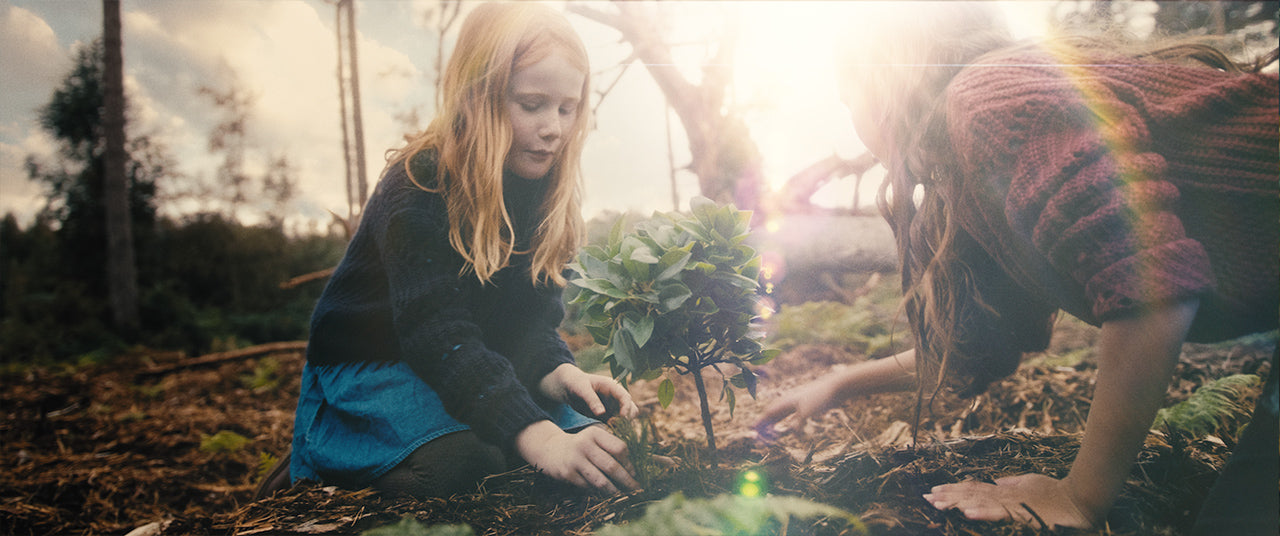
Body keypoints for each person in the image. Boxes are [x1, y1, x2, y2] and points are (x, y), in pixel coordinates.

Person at [756, 4, 1277, 533]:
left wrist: (1079, 495)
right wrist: (843, 383)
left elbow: (1151, 287)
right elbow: (975, 344)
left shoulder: (990, 103)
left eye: (849, 100)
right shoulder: (972, 172)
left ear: (885, 77)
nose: (853, 123)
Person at [258, 2, 641, 500]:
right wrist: (539, 436)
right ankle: (315, 469)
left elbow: (529, 322)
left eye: (567, 108)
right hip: (376, 367)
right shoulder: (419, 183)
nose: (554, 128)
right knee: (466, 466)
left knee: (592, 457)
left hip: (474, 358)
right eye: (531, 104)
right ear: (476, 97)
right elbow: (435, 334)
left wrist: (561, 374)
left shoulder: (546, 194)